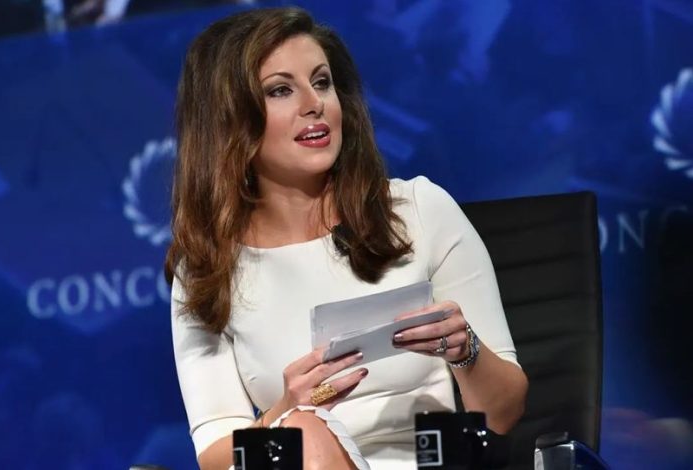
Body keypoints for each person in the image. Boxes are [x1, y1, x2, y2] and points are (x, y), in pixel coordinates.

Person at [165, 7, 528, 470]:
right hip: (303, 459)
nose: (313, 103)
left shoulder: (419, 210)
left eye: (321, 82)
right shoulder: (207, 268)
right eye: (280, 90)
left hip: (429, 462)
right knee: (303, 430)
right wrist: (285, 411)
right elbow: (216, 456)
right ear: (228, 120)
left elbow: (504, 413)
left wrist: (466, 350)